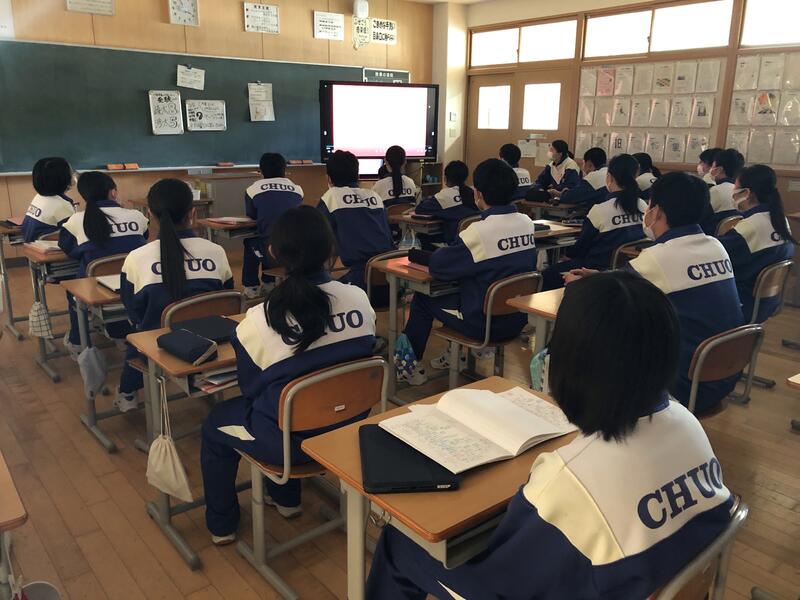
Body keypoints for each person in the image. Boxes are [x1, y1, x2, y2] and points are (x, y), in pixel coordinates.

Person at [368, 271, 734, 599]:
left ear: (571, 363)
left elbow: (503, 583)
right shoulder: (688, 424)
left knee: (401, 542)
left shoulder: (570, 482)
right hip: (656, 580)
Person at [201, 206, 376, 545]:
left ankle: (222, 525)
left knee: (217, 423)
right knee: (292, 402)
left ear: (272, 253)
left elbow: (251, 389)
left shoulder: (260, 319)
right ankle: (286, 499)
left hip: (288, 447)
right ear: (332, 249)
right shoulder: (359, 299)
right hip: (348, 431)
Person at [568, 172, 745, 414]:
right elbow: (632, 278)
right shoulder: (716, 246)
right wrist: (601, 276)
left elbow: (608, 296)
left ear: (657, 211)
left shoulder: (659, 256)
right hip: (722, 375)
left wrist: (578, 285)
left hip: (681, 383)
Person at [398, 159, 536, 385]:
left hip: (483, 323)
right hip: (517, 318)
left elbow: (440, 266)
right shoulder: (527, 223)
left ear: (478, 194)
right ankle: (456, 355)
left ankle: (408, 367)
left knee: (423, 298)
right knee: (464, 290)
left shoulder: (479, 232)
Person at [119, 179, 233, 412]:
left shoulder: (137, 258)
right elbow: (228, 301)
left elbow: (132, 310)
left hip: (158, 349)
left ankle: (127, 394)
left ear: (150, 214)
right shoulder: (216, 251)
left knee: (138, 335)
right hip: (214, 343)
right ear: (192, 213)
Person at [58, 172, 148, 359]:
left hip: (95, 292)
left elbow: (68, 249)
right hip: (135, 286)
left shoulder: (77, 220)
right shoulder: (136, 216)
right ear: (113, 192)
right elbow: (142, 243)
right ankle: (120, 333)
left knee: (74, 287)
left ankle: (77, 341)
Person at [542, 153, 646, 290]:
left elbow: (582, 246)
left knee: (547, 275)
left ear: (609, 177)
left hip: (595, 269)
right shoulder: (643, 205)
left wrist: (567, 255)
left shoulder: (600, 210)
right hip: (627, 269)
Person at [719, 164, 796, 323]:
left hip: (743, 302)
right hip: (768, 301)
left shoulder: (750, 227)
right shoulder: (780, 220)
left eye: (735, 188)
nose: (733, 193)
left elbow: (718, 257)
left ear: (746, 193)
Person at [317, 150, 393, 293]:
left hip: (361, 283)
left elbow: (315, 236)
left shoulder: (332, 196)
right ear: (358, 177)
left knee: (320, 293)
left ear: (329, 179)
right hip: (391, 278)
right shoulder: (375, 196)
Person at [241, 153, 304, 299]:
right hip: (297, 250)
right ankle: (269, 282)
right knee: (271, 237)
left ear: (261, 171)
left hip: (272, 252)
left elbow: (252, 215)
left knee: (251, 243)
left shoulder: (253, 189)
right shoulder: (297, 189)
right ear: (285, 170)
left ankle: (251, 288)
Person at [414, 160, 478, 248]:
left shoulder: (444, 195)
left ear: (446, 177)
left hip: (454, 241)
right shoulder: (473, 193)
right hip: (472, 241)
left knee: (421, 235)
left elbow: (420, 209)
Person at [21, 157, 77, 242]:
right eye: (70, 172)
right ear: (62, 178)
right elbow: (74, 234)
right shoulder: (62, 204)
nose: (73, 174)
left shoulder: (39, 197)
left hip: (30, 244)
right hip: (44, 246)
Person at [701, 148, 743, 235]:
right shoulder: (742, 193)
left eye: (713, 166)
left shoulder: (714, 191)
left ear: (719, 169)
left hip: (711, 236)